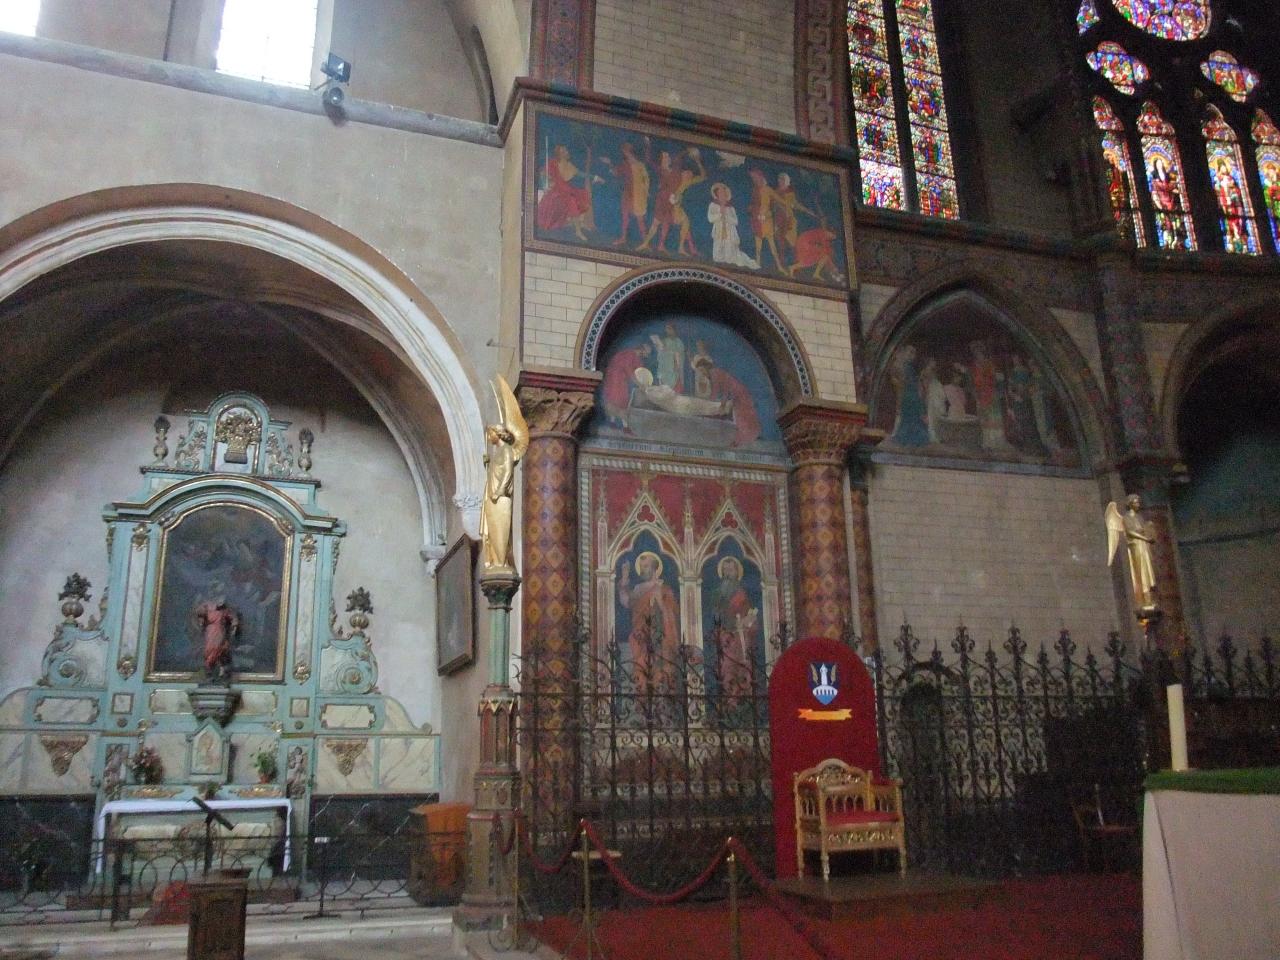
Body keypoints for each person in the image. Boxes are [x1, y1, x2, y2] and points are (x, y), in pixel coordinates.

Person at [618, 551, 681, 691]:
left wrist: (660, 602)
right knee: (641, 668)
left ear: (654, 568)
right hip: (640, 635)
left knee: (661, 670)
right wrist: (625, 578)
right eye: (641, 567)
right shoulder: (638, 588)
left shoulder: (664, 588)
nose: (642, 570)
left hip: (659, 635)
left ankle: (660, 697)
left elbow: (673, 612)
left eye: (645, 566)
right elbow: (626, 602)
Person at [711, 556, 759, 697]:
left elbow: (749, 614)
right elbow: (716, 614)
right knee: (726, 669)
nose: (727, 573)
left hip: (741, 636)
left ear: (737, 572)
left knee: (743, 668)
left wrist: (747, 620)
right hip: (726, 636)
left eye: (730, 570)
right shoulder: (718, 593)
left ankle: (743, 698)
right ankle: (728, 700)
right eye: (725, 570)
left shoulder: (742, 593)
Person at [1105, 495, 1158, 611]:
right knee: (1141, 572)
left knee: (1148, 571)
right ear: (1130, 504)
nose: (1138, 504)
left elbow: (1144, 529)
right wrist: (1145, 538)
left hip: (1144, 547)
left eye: (1138, 502)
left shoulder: (1139, 517)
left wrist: (1149, 528)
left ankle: (1149, 598)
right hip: (1136, 547)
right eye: (1136, 502)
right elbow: (1130, 532)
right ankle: (1143, 599)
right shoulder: (1126, 518)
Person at [536, 144, 593, 241]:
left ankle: (579, 225)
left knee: (581, 197)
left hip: (566, 189)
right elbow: (543, 174)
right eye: (563, 151)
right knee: (571, 201)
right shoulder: (552, 163)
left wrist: (594, 177)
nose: (566, 152)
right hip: (556, 190)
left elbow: (580, 174)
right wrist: (545, 185)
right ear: (559, 154)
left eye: (565, 150)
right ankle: (578, 231)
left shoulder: (569, 165)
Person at [602, 140, 652, 246]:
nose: (625, 153)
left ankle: (645, 241)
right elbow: (616, 172)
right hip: (627, 194)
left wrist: (646, 191)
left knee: (639, 218)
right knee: (625, 216)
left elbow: (646, 179)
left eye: (626, 151)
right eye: (624, 151)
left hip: (637, 195)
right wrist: (609, 163)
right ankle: (623, 238)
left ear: (629, 152)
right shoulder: (625, 164)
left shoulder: (640, 165)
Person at [600, 342, 653, 428]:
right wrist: (640, 384)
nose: (645, 356)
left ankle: (621, 425)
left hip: (621, 380)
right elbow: (630, 372)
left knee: (620, 401)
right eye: (645, 353)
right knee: (618, 400)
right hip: (615, 379)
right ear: (641, 350)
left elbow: (640, 370)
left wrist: (645, 383)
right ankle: (620, 425)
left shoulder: (635, 357)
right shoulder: (628, 355)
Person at [707, 183, 759, 268]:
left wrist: (726, 215)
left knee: (730, 256)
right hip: (718, 232)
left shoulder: (730, 207)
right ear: (716, 194)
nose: (722, 194)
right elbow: (710, 218)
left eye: (724, 192)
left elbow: (735, 221)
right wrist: (720, 213)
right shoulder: (713, 205)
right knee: (717, 255)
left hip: (730, 233)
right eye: (720, 192)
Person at [888, 344, 928, 447]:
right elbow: (902, 381)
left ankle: (913, 440)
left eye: (913, 353)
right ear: (904, 353)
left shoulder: (909, 368)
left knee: (914, 418)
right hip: (907, 396)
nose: (912, 355)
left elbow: (914, 382)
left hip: (912, 396)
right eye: (910, 352)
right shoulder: (902, 367)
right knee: (907, 418)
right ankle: (905, 439)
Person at [193, 595, 239, 680]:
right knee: (210, 649)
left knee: (220, 648)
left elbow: (233, 618)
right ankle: (210, 670)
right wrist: (201, 622)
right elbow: (199, 614)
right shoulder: (207, 607)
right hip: (211, 632)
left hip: (220, 631)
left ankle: (222, 671)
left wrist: (234, 627)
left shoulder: (224, 611)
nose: (220, 603)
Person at [747, 169, 785, 271]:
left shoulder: (768, 189)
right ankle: (758, 264)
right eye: (753, 178)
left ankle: (779, 266)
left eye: (755, 177)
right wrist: (751, 208)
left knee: (772, 245)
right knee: (758, 246)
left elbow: (778, 199)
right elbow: (753, 203)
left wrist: (787, 204)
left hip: (767, 220)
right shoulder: (755, 190)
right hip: (757, 219)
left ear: (760, 177)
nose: (754, 180)